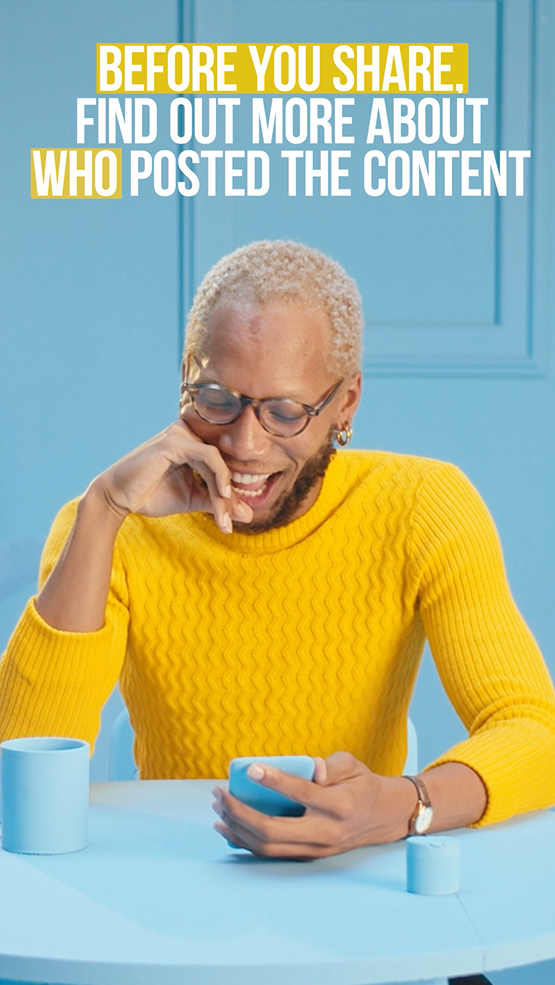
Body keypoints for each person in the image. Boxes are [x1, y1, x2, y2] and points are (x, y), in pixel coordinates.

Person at [1, 240, 555, 868]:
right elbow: (20, 768)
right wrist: (102, 511)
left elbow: (532, 729)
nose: (244, 443)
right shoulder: (107, 525)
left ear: (345, 403)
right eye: (217, 398)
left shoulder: (423, 507)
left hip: (358, 876)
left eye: (286, 412)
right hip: (177, 879)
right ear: (186, 372)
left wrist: (404, 804)